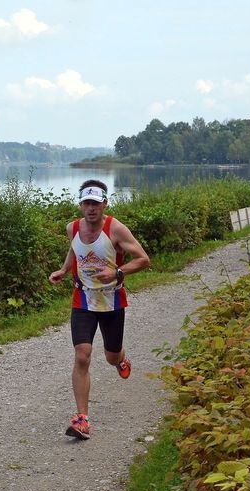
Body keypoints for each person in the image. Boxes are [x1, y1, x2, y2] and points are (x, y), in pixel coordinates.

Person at [48, 180, 151, 440]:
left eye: (96, 203)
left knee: (111, 357)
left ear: (105, 203)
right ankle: (81, 419)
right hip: (83, 300)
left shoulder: (116, 229)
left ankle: (121, 357)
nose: (91, 208)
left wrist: (117, 272)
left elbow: (143, 259)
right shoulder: (72, 228)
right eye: (87, 203)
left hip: (111, 301)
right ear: (80, 205)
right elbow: (75, 250)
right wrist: (64, 269)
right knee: (82, 356)